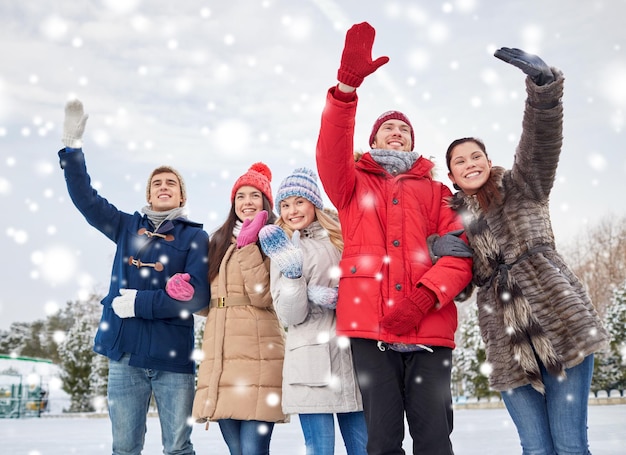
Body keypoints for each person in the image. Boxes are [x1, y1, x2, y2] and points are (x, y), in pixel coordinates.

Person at [315, 22, 474, 455]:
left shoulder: (440, 193)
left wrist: (423, 299)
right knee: (381, 441)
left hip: (430, 328)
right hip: (371, 329)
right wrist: (345, 91)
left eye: (404, 129)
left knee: (434, 439)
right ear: (372, 139)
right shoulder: (350, 185)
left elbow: (461, 255)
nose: (397, 132)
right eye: (388, 128)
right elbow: (330, 151)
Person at [443, 48, 610, 455]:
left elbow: (540, 142)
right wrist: (446, 254)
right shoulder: (452, 221)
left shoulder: (523, 186)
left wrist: (543, 91)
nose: (470, 164)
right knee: (535, 447)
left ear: (488, 160)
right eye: (459, 161)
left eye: (476, 156)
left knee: (570, 445)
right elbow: (459, 288)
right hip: (506, 343)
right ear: (451, 175)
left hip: (561, 325)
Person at [58, 99, 210, 455]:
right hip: (125, 356)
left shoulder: (195, 237)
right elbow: (86, 200)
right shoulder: (127, 226)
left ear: (181, 195)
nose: (163, 186)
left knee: (177, 448)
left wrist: (141, 302)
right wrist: (72, 148)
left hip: (174, 360)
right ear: (148, 194)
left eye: (171, 182)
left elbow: (198, 297)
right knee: (124, 448)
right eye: (156, 182)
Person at [258, 167, 368, 455]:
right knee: (321, 450)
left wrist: (342, 297)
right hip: (311, 363)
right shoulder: (282, 248)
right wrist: (294, 277)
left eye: (299, 201)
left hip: (353, 357)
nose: (292, 211)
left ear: (314, 203)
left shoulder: (341, 237)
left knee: (366, 449)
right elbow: (289, 316)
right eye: (285, 204)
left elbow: (364, 287)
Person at [192, 162, 287, 455]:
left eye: (254, 195)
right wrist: (188, 294)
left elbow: (262, 296)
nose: (247, 202)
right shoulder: (218, 240)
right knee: (237, 451)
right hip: (220, 357)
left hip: (259, 355)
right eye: (241, 196)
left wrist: (248, 247)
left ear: (266, 202)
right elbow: (212, 303)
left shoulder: (274, 236)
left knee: (253, 450)